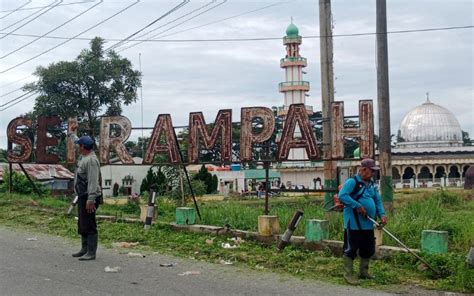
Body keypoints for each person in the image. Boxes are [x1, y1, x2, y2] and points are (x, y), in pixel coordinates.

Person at [338, 158, 387, 285]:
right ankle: (348, 274)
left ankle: (363, 272)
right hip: (353, 223)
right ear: (364, 170)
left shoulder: (372, 185)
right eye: (372, 171)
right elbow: (342, 195)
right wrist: (357, 206)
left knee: (368, 248)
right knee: (351, 249)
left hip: (368, 224)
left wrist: (381, 214)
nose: (373, 174)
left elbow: (377, 201)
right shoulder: (352, 182)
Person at [69, 131, 102, 261]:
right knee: (82, 223)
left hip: (90, 196)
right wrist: (72, 135)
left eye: (79, 145)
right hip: (83, 195)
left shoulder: (91, 161)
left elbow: (93, 181)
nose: (77, 147)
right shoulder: (84, 156)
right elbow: (78, 140)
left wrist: (91, 199)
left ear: (83, 146)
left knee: (89, 223)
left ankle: (91, 252)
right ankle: (84, 249)